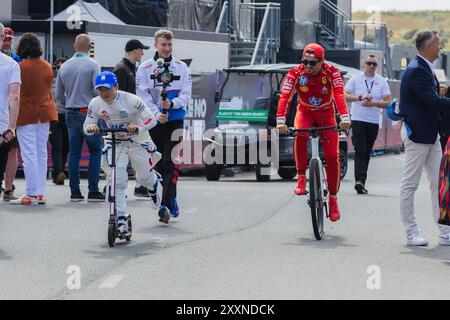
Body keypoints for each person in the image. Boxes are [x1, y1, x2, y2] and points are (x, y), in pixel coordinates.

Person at [276, 43, 351, 222]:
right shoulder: (295, 72)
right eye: (305, 62)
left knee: (332, 156)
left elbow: (339, 95)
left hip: (326, 113)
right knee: (300, 134)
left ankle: (333, 198)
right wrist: (280, 119)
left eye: (313, 63)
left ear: (322, 61)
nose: (308, 66)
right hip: (305, 111)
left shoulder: (332, 72)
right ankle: (301, 176)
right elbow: (285, 96)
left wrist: (345, 117)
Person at [84, 71, 165, 231]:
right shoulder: (95, 103)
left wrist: (138, 127)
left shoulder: (132, 100)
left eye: (107, 89)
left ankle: (153, 183)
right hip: (115, 142)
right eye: (100, 89)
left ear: (116, 86)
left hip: (138, 141)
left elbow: (152, 120)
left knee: (143, 177)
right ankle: (120, 218)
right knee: (116, 180)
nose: (103, 93)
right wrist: (91, 127)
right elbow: (86, 126)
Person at [399, 30, 450, 246]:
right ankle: (412, 232)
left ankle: (445, 231)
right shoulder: (417, 70)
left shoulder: (423, 68)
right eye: (438, 44)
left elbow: (433, 99)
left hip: (431, 134)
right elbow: (432, 101)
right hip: (418, 134)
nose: (440, 47)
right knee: (410, 185)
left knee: (439, 184)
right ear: (429, 46)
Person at [136, 29, 192, 221]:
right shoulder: (144, 68)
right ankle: (166, 195)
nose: (167, 49)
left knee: (172, 161)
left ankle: (168, 201)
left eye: (169, 45)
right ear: (156, 45)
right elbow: (142, 96)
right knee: (157, 162)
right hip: (154, 122)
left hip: (175, 121)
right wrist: (157, 113)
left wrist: (173, 104)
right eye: (163, 45)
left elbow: (186, 94)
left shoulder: (181, 67)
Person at [10, 33, 57, 206]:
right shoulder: (47, 66)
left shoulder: (19, 66)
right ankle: (40, 193)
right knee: (41, 153)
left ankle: (30, 193)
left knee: (29, 154)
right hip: (44, 113)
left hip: (27, 113)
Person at [56, 34, 105, 202]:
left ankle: (75, 192)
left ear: (74, 46)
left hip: (70, 112)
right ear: (89, 47)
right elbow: (98, 90)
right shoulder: (93, 65)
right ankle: (93, 190)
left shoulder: (64, 66)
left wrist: (69, 101)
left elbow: (58, 95)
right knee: (95, 150)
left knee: (74, 153)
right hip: (89, 112)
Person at [344, 54, 392, 194]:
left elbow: (388, 102)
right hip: (358, 119)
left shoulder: (381, 81)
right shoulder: (356, 79)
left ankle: (361, 181)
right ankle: (359, 180)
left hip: (373, 121)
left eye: (374, 64)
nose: (371, 66)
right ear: (363, 64)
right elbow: (344, 95)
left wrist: (374, 103)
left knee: (367, 151)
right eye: (369, 63)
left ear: (377, 66)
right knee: (360, 149)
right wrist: (360, 97)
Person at [113, 39, 151, 198]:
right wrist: (123, 119)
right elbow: (117, 97)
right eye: (141, 50)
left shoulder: (130, 68)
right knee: (122, 155)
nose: (143, 53)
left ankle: (140, 185)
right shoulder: (121, 69)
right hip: (125, 121)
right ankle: (116, 186)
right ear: (135, 50)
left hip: (133, 119)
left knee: (139, 151)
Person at [0, 23, 21, 199]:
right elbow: (14, 96)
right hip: (2, 126)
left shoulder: (14, 61)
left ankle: (8, 188)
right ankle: (7, 188)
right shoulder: (12, 64)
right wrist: (12, 127)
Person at [50, 57, 69, 185]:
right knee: (57, 145)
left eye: (63, 67)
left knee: (66, 146)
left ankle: (61, 170)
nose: (61, 69)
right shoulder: (51, 83)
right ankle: (58, 172)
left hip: (68, 115)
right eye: (58, 67)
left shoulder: (71, 82)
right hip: (55, 116)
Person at [438, 84, 450, 152]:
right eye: (440, 90)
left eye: (443, 90)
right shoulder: (436, 102)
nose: (441, 92)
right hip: (441, 130)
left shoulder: (446, 102)